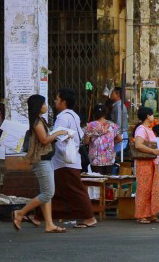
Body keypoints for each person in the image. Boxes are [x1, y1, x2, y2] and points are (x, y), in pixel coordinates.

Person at [11, 94, 65, 233]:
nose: (46, 106)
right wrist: (58, 133)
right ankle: (21, 213)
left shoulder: (40, 120)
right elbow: (45, 140)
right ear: (38, 106)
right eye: (44, 104)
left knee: (46, 192)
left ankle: (49, 224)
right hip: (41, 161)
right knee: (48, 193)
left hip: (45, 160)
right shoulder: (37, 122)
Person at [51, 88, 97, 228]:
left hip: (65, 160)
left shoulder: (62, 117)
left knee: (76, 190)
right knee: (58, 191)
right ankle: (40, 216)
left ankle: (89, 217)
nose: (55, 101)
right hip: (71, 158)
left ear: (64, 102)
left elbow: (58, 137)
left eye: (57, 99)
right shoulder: (74, 116)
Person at [132, 106, 159, 224]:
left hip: (152, 162)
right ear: (147, 116)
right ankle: (141, 215)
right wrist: (153, 151)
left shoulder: (149, 129)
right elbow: (138, 145)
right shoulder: (141, 129)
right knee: (144, 188)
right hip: (144, 162)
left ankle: (151, 214)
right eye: (151, 114)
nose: (153, 117)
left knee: (152, 188)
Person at [84, 104, 121, 175]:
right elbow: (119, 139)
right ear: (105, 113)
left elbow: (86, 142)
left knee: (97, 181)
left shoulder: (90, 125)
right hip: (109, 157)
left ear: (94, 113)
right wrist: (109, 142)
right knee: (108, 179)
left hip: (95, 158)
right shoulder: (113, 125)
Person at [109, 88, 128, 164]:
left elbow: (118, 123)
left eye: (112, 93)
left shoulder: (119, 106)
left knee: (118, 158)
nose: (111, 95)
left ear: (117, 94)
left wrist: (117, 135)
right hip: (119, 133)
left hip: (120, 134)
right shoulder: (117, 106)